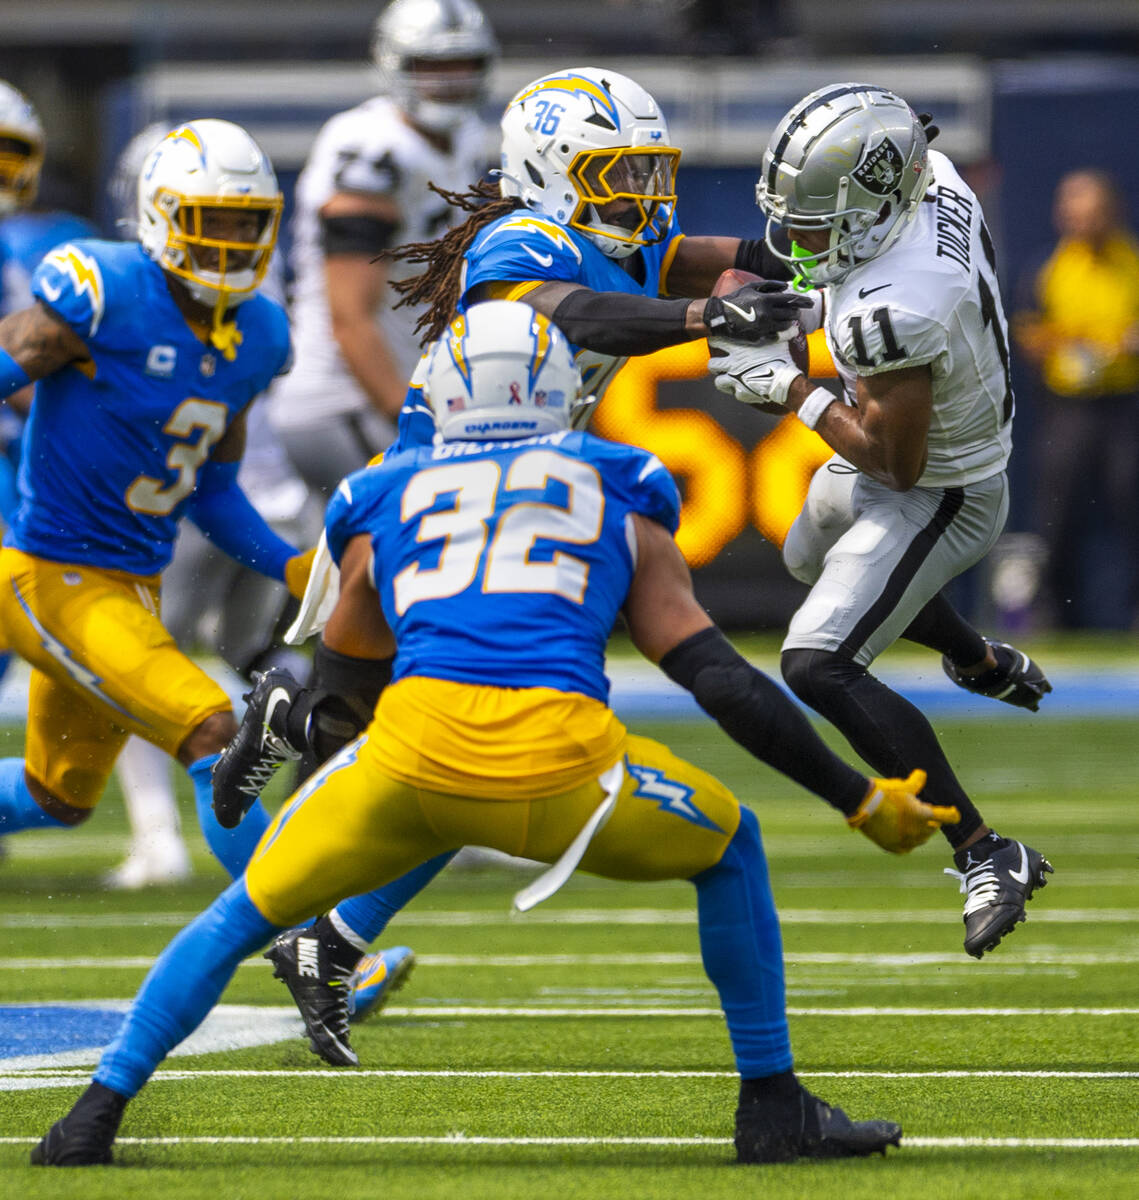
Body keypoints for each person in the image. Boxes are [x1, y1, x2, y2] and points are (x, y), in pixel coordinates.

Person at [207, 71, 1053, 1059]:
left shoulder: (617, 231)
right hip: (442, 502)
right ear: (549, 174)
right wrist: (710, 323)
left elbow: (695, 256)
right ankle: (298, 771)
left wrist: (802, 254)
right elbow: (562, 312)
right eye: (618, 173)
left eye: (651, 170)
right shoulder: (519, 242)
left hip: (489, 501)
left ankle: (324, 907)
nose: (643, 195)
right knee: (421, 754)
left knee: (446, 758)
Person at [31, 301, 959, 1168]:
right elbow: (713, 675)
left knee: (239, 917)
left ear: (442, 392)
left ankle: (92, 1115)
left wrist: (308, 722)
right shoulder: (617, 481)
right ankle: (771, 1105)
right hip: (563, 774)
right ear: (563, 391)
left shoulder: (382, 495)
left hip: (405, 765)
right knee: (730, 847)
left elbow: (351, 691)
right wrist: (858, 796)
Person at [705, 82, 1054, 958]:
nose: (800, 236)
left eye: (818, 219)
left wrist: (792, 390)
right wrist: (803, 308)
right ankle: (977, 658)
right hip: (930, 448)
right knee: (804, 559)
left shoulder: (895, 313)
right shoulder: (930, 178)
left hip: (941, 490)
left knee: (816, 662)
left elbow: (893, 463)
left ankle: (984, 850)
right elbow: (867, 275)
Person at [0, 117, 313, 877]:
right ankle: (308, 938)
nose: (234, 244)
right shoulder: (102, 290)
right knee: (216, 733)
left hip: (131, 584)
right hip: (51, 572)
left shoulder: (260, 332)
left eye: (249, 225)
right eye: (214, 224)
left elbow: (211, 489)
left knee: (58, 796)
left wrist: (289, 566)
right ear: (163, 217)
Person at [267, 0, 500, 503]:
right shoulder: (372, 146)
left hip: (386, 396)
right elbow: (350, 318)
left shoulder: (465, 138)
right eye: (431, 65)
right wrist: (414, 419)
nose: (449, 80)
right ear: (393, 63)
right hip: (343, 401)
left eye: (463, 64)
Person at [1011, 168, 1139, 628]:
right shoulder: (1050, 266)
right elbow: (1026, 330)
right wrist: (1063, 344)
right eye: (1073, 215)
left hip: (1125, 404)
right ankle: (1057, 612)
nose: (1081, 224)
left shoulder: (1132, 263)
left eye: (1091, 214)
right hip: (1067, 408)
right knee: (1058, 512)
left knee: (1131, 505)